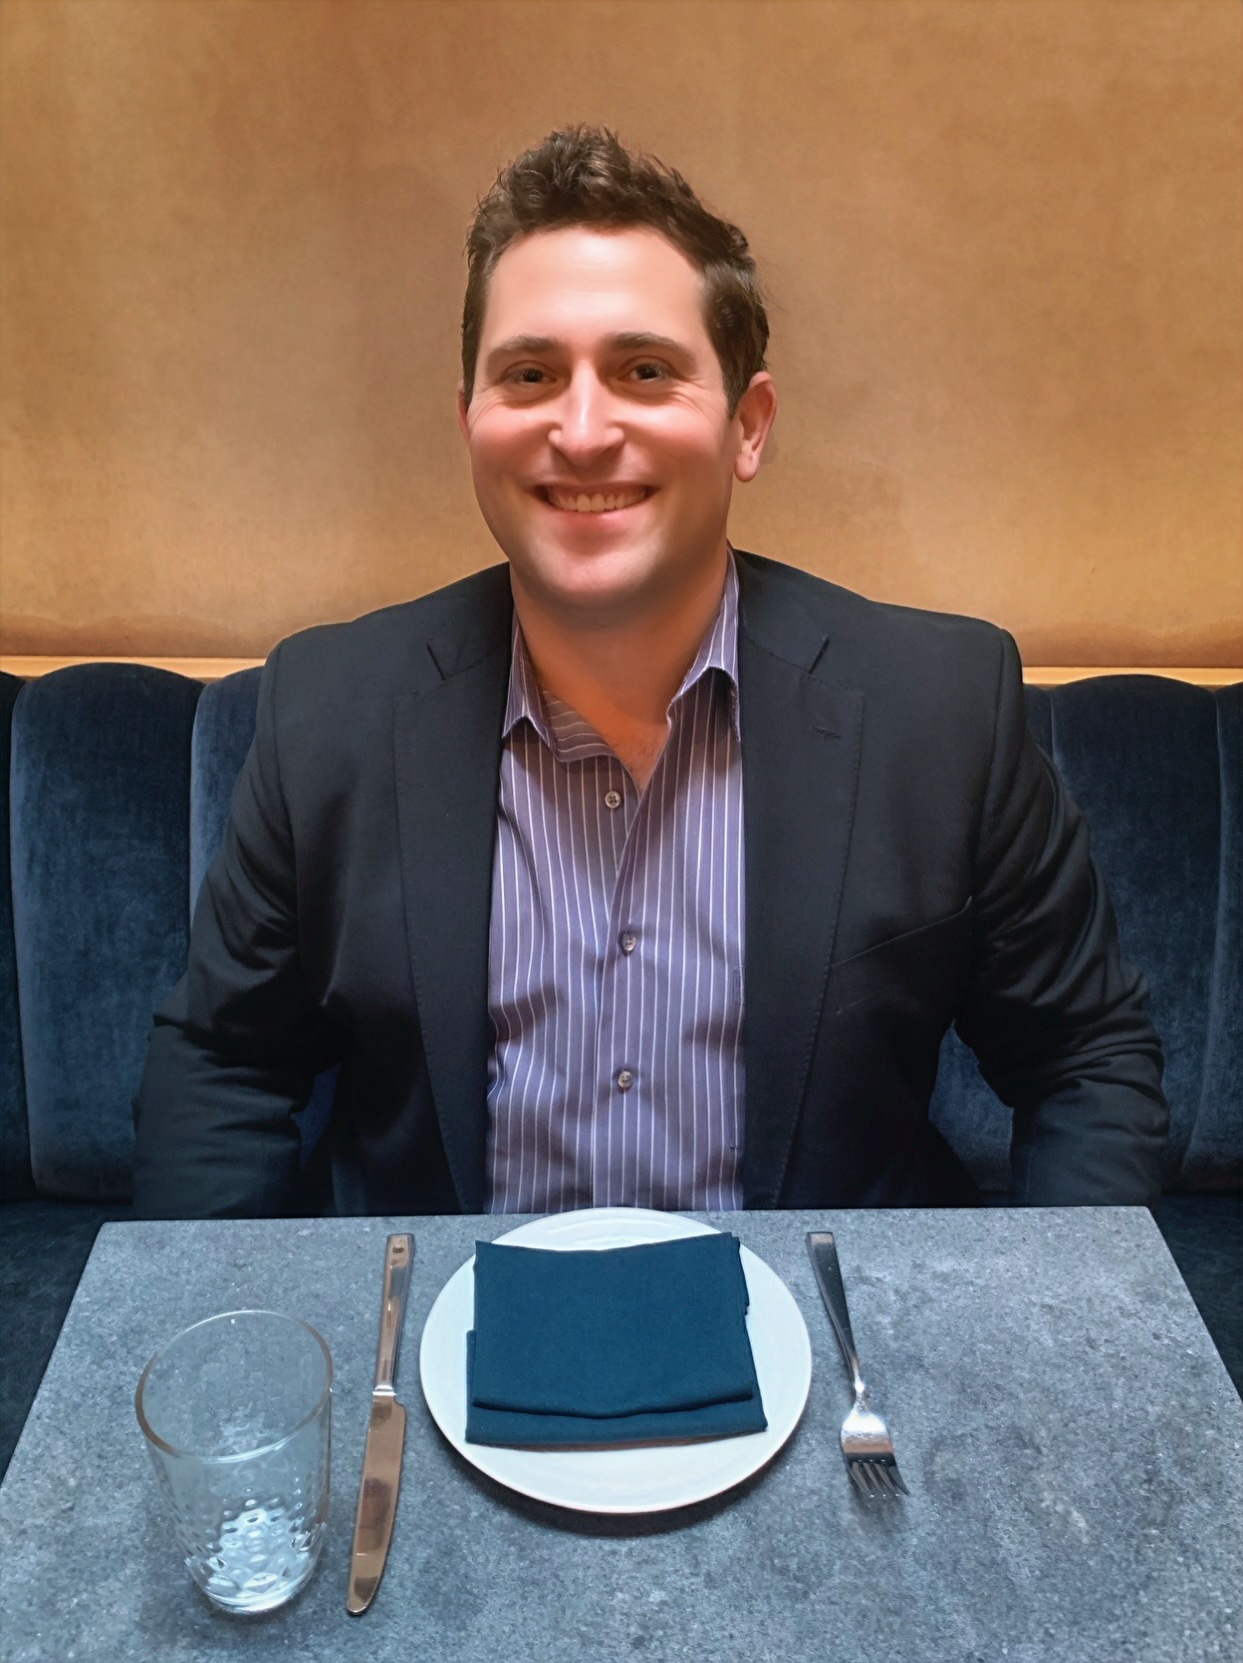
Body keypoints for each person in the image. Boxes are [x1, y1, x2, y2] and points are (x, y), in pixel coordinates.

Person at [132, 126, 1167, 1219]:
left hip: (819, 1340)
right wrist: (229, 1361)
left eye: (644, 371)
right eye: (529, 374)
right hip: (440, 1345)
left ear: (747, 425)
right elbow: (221, 1065)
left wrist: (1053, 1348)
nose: (581, 430)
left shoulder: (941, 708)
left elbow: (1084, 1059)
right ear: (470, 420)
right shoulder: (327, 709)